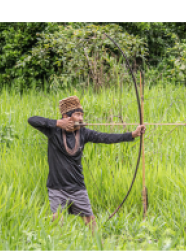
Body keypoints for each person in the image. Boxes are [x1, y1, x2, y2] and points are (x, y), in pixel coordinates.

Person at [28, 96, 144, 231]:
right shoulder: (54, 131)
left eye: (82, 115)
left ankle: (97, 242)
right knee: (57, 221)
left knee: (90, 222)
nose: (81, 118)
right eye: (77, 114)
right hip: (57, 187)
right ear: (66, 116)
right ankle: (58, 242)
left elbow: (106, 137)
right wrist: (58, 123)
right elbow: (32, 120)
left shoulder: (83, 133)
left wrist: (132, 134)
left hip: (77, 187)